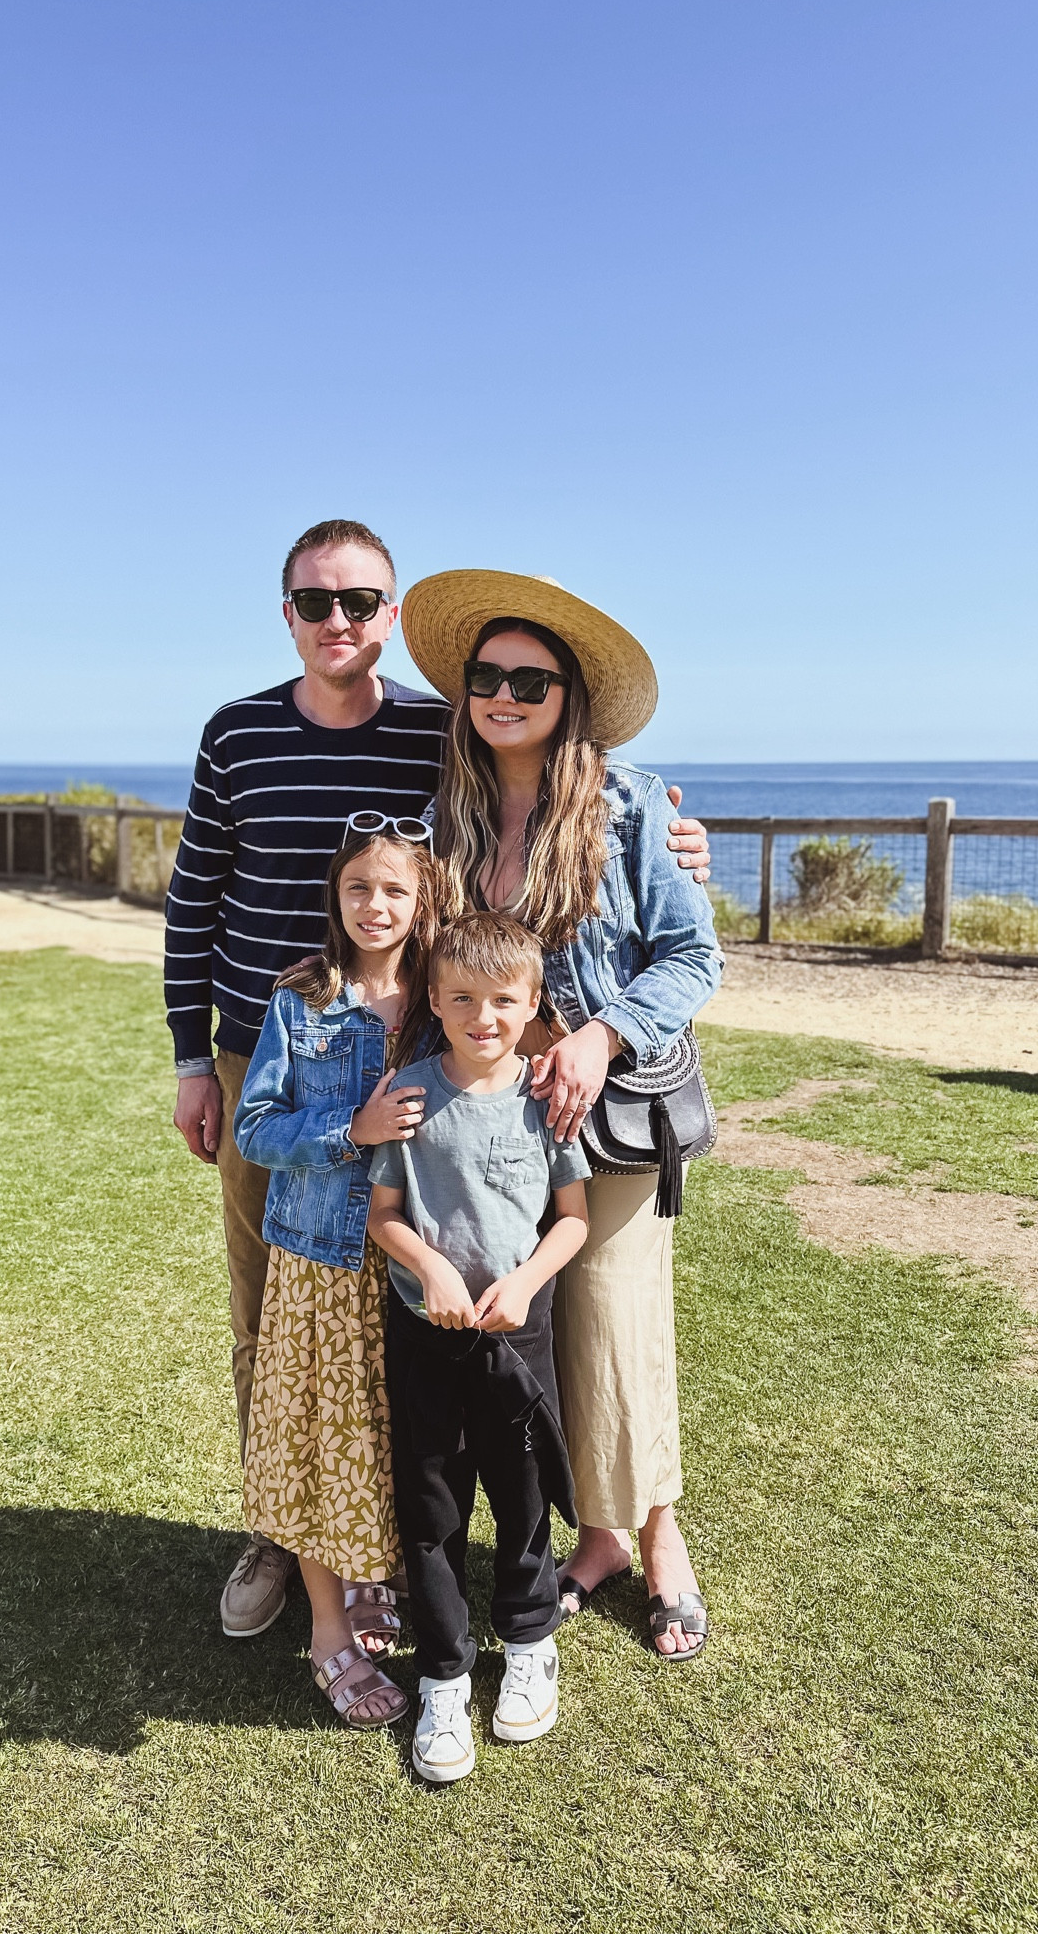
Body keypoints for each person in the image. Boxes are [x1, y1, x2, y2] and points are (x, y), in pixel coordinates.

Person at [164, 521, 713, 1639]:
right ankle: (293, 1529)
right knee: (303, 1310)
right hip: (323, 1059)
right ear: (288, 614)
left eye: (359, 603)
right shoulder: (312, 750)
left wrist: (673, 859)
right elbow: (194, 898)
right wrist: (192, 1053)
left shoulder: (526, 767)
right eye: (316, 604)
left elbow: (666, 917)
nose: (338, 623)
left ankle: (614, 1534)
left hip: (509, 1082)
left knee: (545, 1310)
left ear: (391, 613)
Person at [401, 569, 723, 1661]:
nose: (503, 692)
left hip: (607, 1104)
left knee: (620, 1320)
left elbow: (695, 954)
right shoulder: (449, 808)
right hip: (494, 1122)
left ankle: (661, 1535)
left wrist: (599, 1033)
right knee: (532, 1330)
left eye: (527, 677)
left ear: (567, 692)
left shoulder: (633, 802)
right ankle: (598, 1539)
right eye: (486, 675)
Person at [368, 911, 590, 1784]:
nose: (483, 1016)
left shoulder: (545, 1103)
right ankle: (444, 1674)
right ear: (434, 997)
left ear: (533, 1003)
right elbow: (384, 1217)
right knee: (433, 1507)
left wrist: (527, 1282)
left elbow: (570, 1224)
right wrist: (429, 1268)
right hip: (425, 1333)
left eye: (504, 1000)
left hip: (519, 1331)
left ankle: (530, 1640)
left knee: (526, 1492)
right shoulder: (410, 1092)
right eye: (462, 997)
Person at [233, 821, 444, 1727]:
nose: (376, 906)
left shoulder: (443, 1000)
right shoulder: (300, 1001)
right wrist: (344, 1135)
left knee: (393, 1440)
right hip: (320, 1265)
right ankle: (327, 1632)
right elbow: (253, 1130)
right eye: (359, 888)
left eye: (394, 890)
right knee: (317, 1446)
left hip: (411, 1263)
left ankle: (371, 1581)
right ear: (337, 896)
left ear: (423, 901)